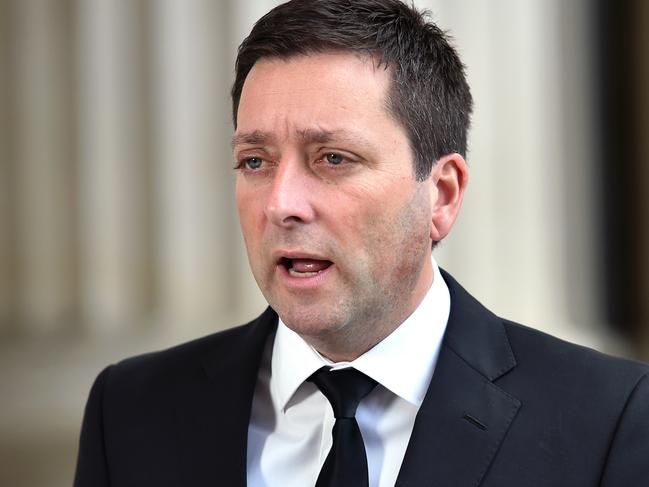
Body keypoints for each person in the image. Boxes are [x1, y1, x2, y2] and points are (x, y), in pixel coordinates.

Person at [74, 1, 649, 486]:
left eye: (332, 159)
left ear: (441, 195)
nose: (281, 203)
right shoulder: (128, 412)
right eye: (255, 161)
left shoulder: (607, 419)